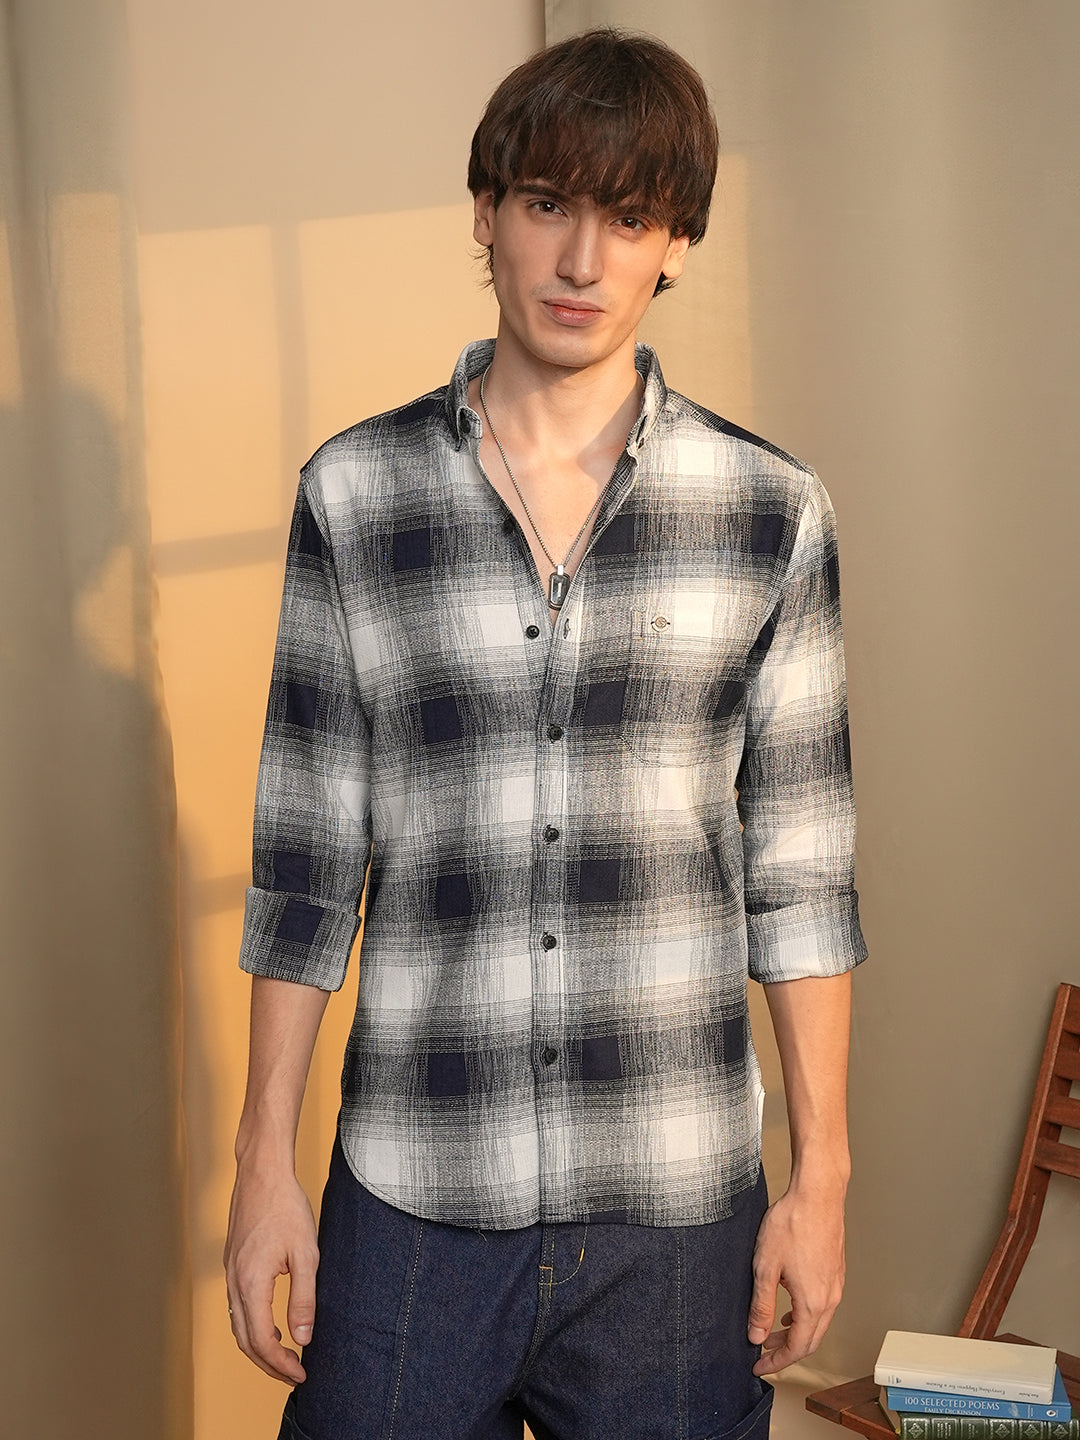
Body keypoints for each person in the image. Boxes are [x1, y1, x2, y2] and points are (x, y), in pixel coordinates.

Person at [225, 27, 867, 1440]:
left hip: (676, 1219)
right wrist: (263, 1167)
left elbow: (803, 880)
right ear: (485, 213)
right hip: (414, 1195)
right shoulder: (355, 496)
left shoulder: (771, 514)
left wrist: (819, 1182)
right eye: (546, 203)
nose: (582, 260)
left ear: (676, 244)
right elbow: (305, 871)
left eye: (629, 218)